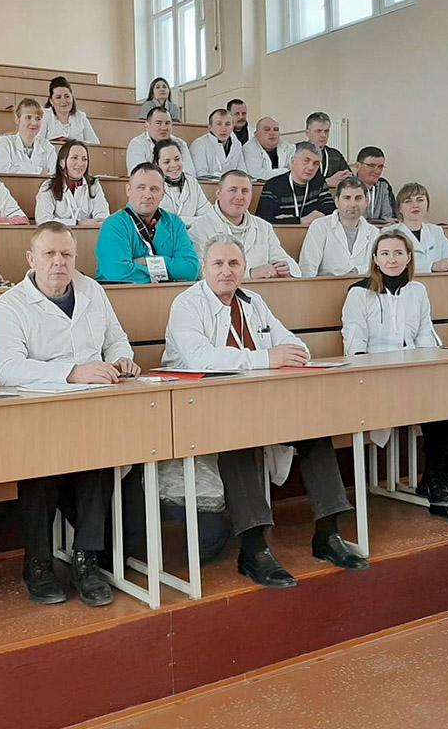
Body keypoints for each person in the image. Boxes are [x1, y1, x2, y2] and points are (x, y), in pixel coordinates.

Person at [154, 236, 367, 576]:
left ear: (244, 269)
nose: (226, 271)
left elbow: (293, 344)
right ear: (204, 268)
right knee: (237, 439)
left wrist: (290, 353)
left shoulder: (253, 301)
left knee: (314, 431)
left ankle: (328, 534)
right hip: (200, 407)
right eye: (218, 264)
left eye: (234, 264)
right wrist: (267, 357)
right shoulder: (187, 304)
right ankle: (254, 550)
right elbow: (200, 358)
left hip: (256, 401)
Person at [0, 222, 139, 606]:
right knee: (40, 470)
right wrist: (72, 373)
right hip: (37, 415)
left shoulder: (93, 290)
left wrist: (122, 359)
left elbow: (115, 338)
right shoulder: (9, 306)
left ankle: (86, 560)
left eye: (67, 255)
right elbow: (7, 370)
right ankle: (37, 564)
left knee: (99, 461)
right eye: (50, 254)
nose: (59, 262)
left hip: (92, 410)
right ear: (31, 258)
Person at [342, 230, 448, 523]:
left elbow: (425, 335)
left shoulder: (417, 291)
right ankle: (438, 483)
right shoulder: (359, 293)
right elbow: (355, 343)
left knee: (447, 400)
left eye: (398, 253)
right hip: (377, 377)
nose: (391, 260)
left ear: (408, 258)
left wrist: (431, 368)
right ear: (375, 259)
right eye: (385, 254)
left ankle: (441, 482)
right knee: (435, 403)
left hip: (414, 373)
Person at [95, 163, 198, 284]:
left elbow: (191, 270)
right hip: (122, 295)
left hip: (170, 294)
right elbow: (117, 273)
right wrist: (169, 272)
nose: (148, 195)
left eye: (154, 189)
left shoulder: (175, 224)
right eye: (141, 188)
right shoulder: (113, 225)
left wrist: (147, 261)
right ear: (128, 190)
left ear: (163, 194)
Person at [188, 171, 298, 279]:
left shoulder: (264, 227)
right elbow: (200, 271)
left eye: (245, 191)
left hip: (262, 290)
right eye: (233, 190)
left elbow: (287, 263)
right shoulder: (199, 228)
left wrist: (285, 270)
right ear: (218, 193)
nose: (239, 197)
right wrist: (250, 274)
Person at [298, 176, 380, 277]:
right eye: (347, 198)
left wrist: (355, 272)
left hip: (364, 285)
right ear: (336, 201)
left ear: (366, 201)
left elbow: (378, 268)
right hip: (326, 286)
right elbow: (308, 269)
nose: (353, 204)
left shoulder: (374, 233)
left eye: (358, 198)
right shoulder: (320, 226)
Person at [391, 183, 448, 272]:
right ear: (399, 208)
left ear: (427, 204)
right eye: (408, 201)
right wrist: (431, 266)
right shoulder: (389, 233)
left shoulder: (436, 231)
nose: (415, 205)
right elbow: (390, 264)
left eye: (420, 200)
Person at [35, 140, 109, 226]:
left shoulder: (93, 185)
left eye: (84, 159)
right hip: (58, 233)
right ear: (62, 162)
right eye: (74, 158)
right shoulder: (48, 186)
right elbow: (43, 221)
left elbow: (103, 217)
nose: (80, 163)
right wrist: (78, 223)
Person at [257, 141, 331, 225]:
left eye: (316, 163)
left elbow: (331, 214)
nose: (311, 168)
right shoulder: (273, 186)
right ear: (293, 162)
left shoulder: (319, 182)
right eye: (306, 161)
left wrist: (287, 221)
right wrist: (301, 220)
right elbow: (263, 222)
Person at [0, 98, 58, 175]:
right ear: (17, 119)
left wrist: (19, 167)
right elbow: (4, 171)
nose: (34, 123)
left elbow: (54, 173)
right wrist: (39, 171)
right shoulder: (3, 143)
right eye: (28, 117)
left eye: (38, 118)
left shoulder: (47, 146)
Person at [154, 138, 211, 226]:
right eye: (166, 162)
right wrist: (191, 220)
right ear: (157, 164)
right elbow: (159, 221)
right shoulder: (152, 185)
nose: (173, 165)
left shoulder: (192, 182)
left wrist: (178, 220)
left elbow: (208, 216)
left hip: (193, 233)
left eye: (177, 159)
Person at [125, 107, 197, 176]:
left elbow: (190, 174)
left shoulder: (180, 144)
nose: (164, 128)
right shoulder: (137, 144)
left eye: (167, 123)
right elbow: (139, 175)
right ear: (147, 126)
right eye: (158, 123)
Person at [189, 108, 245, 181]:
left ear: (232, 127)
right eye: (219, 124)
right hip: (210, 186)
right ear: (210, 127)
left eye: (227, 124)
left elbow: (242, 172)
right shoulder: (199, 144)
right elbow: (201, 175)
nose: (223, 129)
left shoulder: (237, 144)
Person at [40, 76, 99, 144]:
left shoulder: (81, 116)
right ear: (51, 101)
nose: (63, 101)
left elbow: (95, 143)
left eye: (67, 96)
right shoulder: (46, 115)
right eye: (58, 97)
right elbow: (38, 142)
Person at [304, 112, 350, 189]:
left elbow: (348, 177)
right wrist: (327, 183)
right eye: (318, 131)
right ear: (307, 133)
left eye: (326, 131)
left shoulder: (335, 155)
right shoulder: (297, 152)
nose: (323, 135)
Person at [242, 116, 295, 181]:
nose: (272, 133)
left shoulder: (290, 148)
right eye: (267, 129)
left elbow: (295, 172)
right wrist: (285, 171)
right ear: (256, 134)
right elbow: (256, 174)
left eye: (276, 129)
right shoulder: (248, 149)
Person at [355, 146, 396, 223]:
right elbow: (350, 218)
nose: (377, 171)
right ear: (358, 166)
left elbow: (389, 218)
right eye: (371, 166)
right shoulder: (347, 187)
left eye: (380, 167)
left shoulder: (384, 186)